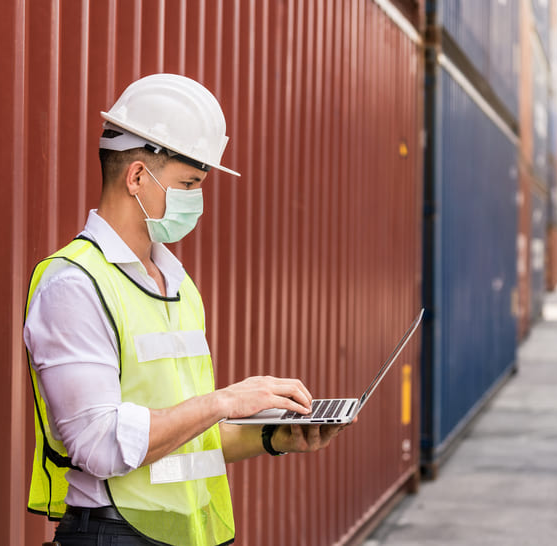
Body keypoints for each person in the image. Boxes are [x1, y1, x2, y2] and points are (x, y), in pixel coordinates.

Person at [24, 74, 349, 546]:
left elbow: (185, 438)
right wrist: (223, 402)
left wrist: (273, 436)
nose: (196, 200)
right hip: (115, 535)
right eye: (189, 183)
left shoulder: (175, 284)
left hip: (190, 533)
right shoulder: (74, 284)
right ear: (137, 176)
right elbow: (98, 444)